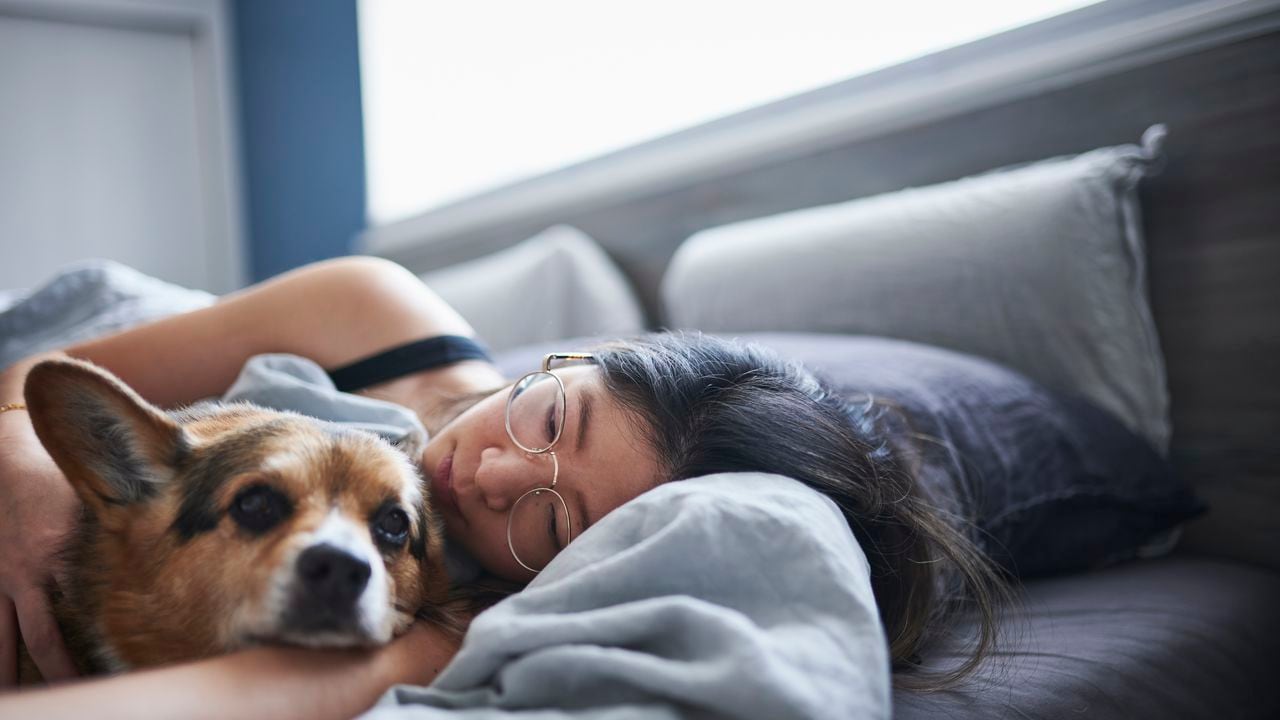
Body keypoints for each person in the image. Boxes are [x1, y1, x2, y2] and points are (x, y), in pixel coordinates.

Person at [0, 256, 1003, 718]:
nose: (485, 472)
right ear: (573, 356)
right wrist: (24, 474)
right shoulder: (369, 305)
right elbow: (22, 397)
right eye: (550, 417)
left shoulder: (458, 603)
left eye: (550, 517)